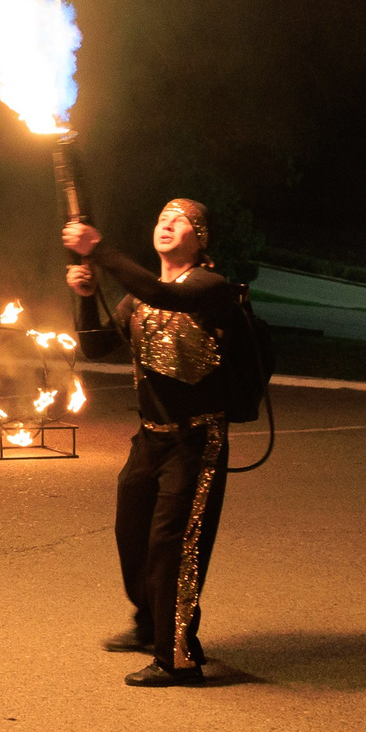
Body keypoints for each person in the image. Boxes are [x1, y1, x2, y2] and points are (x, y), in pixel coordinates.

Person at [64, 199, 239, 687]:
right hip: (150, 439)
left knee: (173, 547)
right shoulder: (136, 298)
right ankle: (150, 625)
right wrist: (86, 296)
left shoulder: (210, 286)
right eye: (162, 217)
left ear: (200, 238)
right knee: (133, 535)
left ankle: (177, 658)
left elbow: (165, 295)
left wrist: (99, 249)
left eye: (180, 220)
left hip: (195, 440)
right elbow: (95, 345)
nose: (167, 223)